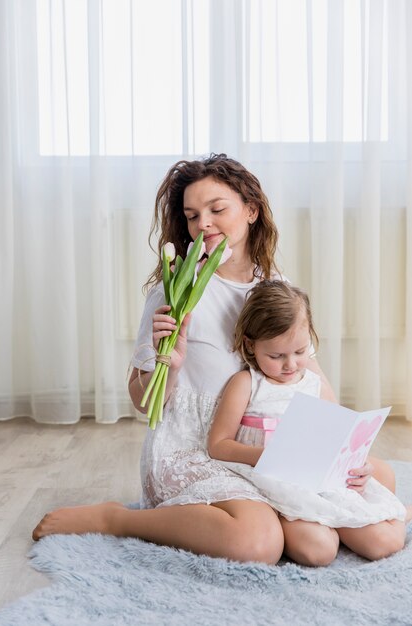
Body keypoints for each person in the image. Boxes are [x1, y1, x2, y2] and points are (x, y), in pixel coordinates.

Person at [32, 153, 397, 565]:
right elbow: (141, 401)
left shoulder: (276, 287)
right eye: (191, 215)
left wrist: (340, 449)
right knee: (257, 544)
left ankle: (283, 511)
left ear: (251, 211)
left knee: (381, 475)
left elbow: (312, 377)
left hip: (264, 444)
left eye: (216, 209)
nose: (202, 223)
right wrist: (169, 362)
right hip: (196, 448)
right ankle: (119, 519)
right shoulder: (173, 293)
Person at [208, 279, 411, 565]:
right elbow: (218, 445)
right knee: (318, 551)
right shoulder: (247, 384)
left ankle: (385, 514)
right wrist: (265, 456)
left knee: (386, 543)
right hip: (279, 486)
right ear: (250, 345)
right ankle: (332, 523)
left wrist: (357, 462)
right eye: (277, 356)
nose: (290, 365)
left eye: (300, 352)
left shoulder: (314, 384)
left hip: (322, 479)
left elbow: (342, 436)